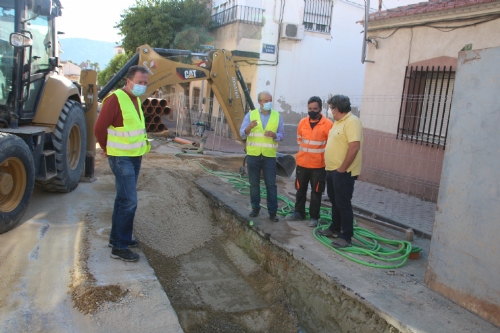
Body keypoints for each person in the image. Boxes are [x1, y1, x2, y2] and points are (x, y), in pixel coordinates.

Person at [94, 65, 151, 262]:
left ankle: (116, 238)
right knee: (129, 201)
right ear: (128, 81)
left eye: (145, 83)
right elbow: (99, 128)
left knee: (122, 198)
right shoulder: (115, 99)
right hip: (120, 158)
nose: (142, 86)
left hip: (135, 156)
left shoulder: (134, 99)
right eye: (140, 82)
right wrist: (106, 147)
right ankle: (119, 247)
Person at [318, 95, 362, 248]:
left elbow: (354, 146)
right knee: (334, 201)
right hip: (331, 170)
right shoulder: (337, 123)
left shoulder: (352, 122)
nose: (330, 111)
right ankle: (335, 228)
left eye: (330, 108)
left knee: (343, 203)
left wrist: (342, 168)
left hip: (343, 172)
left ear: (336, 109)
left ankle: (346, 236)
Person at [285, 96, 333, 227]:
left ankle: (314, 217)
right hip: (302, 164)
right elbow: (300, 140)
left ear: (320, 109)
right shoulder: (302, 123)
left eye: (315, 109)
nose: (312, 111)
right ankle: (298, 213)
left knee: (316, 192)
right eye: (310, 108)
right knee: (300, 189)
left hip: (318, 165)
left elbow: (330, 145)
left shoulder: (328, 125)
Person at [239, 91, 285, 222]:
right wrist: (249, 127)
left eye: (270, 100)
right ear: (259, 102)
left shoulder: (277, 116)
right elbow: (242, 134)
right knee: (254, 184)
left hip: (269, 156)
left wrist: (275, 135)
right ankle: (255, 208)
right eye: (265, 101)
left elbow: (282, 135)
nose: (268, 103)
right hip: (253, 155)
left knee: (271, 184)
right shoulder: (251, 115)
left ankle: (272, 212)